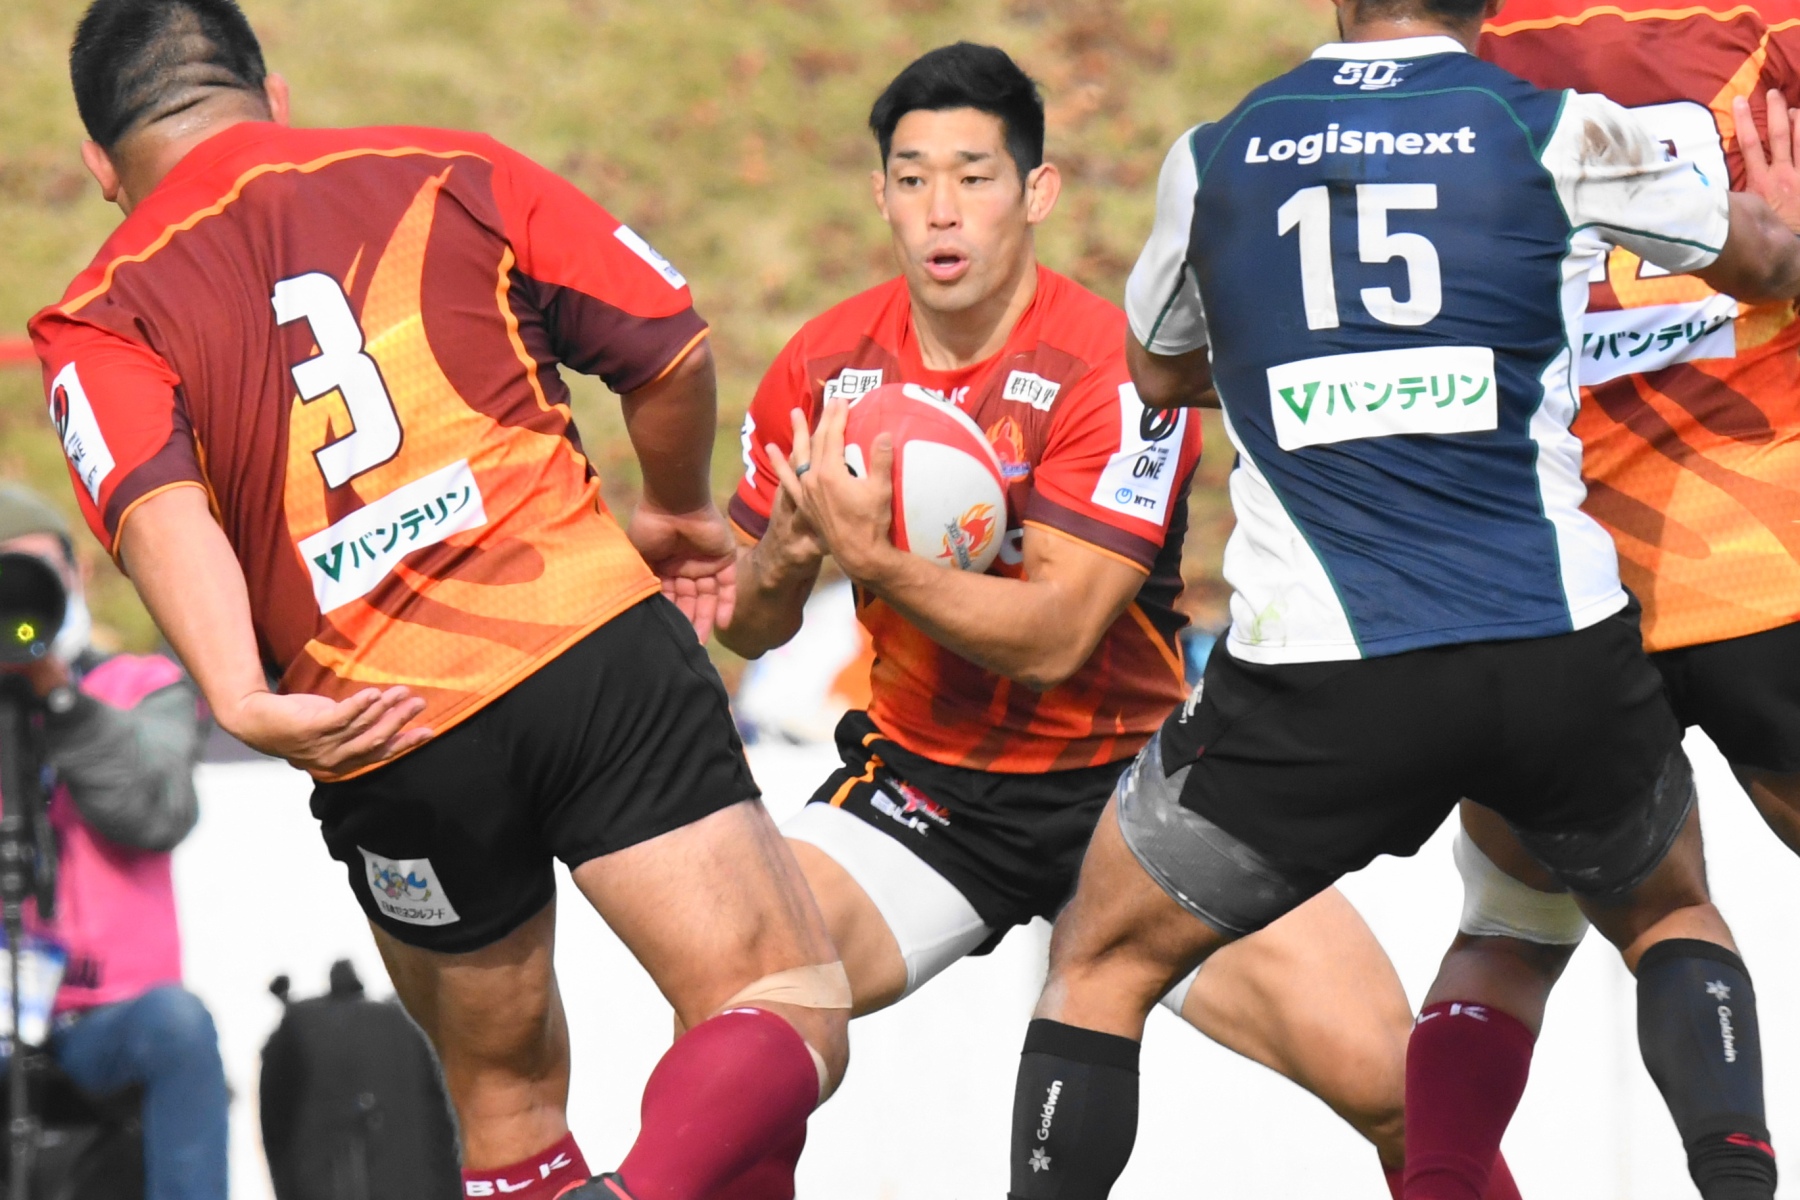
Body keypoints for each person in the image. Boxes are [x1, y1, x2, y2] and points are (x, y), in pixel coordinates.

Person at [29, 3, 850, 1198]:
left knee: (506, 1106)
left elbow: (161, 510)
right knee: (779, 1004)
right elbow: (664, 339)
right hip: (579, 643)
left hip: (382, 729)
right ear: (275, 97)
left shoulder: (98, 314)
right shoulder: (446, 165)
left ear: (101, 164)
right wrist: (677, 505)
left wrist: (241, 698)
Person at [1000, 0, 1800, 1196]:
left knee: (1102, 957)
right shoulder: (1548, 125)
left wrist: (1325, 360)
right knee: (1669, 913)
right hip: (1558, 646)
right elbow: (1765, 263)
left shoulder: (1218, 153)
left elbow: (1159, 370)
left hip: (1322, 674)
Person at [721, 42, 1467, 1199]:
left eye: (973, 176)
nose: (941, 210)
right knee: (745, 1013)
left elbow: (1060, 634)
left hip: (1139, 791)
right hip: (928, 792)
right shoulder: (826, 366)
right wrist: (785, 549)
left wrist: (871, 558)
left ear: (1036, 192)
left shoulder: (1115, 370)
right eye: (913, 179)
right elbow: (748, 624)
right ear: (881, 196)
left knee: (1402, 1091)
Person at [1436, 10, 1800, 1198]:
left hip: (1552, 571)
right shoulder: (1769, 25)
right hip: (1763, 549)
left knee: (1512, 928)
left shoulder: (1458, 43)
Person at [0, 484, 223, 1200]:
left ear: (77, 574)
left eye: (32, 575)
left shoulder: (141, 684)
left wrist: (58, 696)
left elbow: (157, 813)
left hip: (112, 1017)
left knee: (180, 1026)